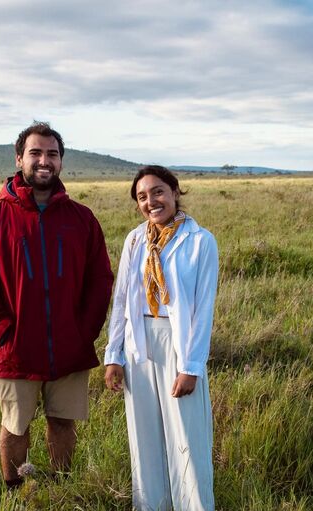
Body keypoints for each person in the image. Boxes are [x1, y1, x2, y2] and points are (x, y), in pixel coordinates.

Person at [0, 122, 114, 489]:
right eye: (36, 153)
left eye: (52, 154)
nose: (44, 161)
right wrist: (3, 331)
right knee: (15, 425)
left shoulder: (82, 219)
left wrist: (84, 331)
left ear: (61, 162)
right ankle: (16, 493)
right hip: (15, 348)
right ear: (19, 159)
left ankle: (62, 489)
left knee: (63, 422)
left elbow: (100, 280)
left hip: (69, 345)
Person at [104, 165, 218, 510]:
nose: (151, 201)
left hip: (178, 344)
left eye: (157, 192)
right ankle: (150, 505)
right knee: (144, 437)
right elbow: (122, 298)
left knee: (186, 436)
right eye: (142, 196)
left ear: (174, 192)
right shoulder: (136, 239)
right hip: (139, 343)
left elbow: (203, 309)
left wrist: (192, 367)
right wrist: (114, 355)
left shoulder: (200, 240)